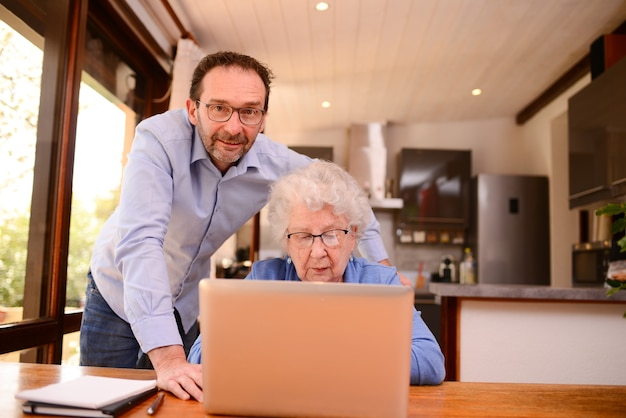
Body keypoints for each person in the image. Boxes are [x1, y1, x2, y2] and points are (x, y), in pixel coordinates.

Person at [79, 51, 401, 402]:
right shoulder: (157, 140)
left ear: (262, 118)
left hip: (182, 305)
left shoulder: (276, 161)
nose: (234, 127)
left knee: (179, 407)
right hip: (118, 293)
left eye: (249, 111)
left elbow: (346, 191)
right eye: (219, 108)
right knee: (103, 405)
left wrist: (382, 270)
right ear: (192, 109)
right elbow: (141, 242)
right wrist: (170, 359)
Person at [188, 161, 446, 386]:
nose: (318, 252)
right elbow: (200, 355)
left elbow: (430, 361)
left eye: (331, 235)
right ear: (286, 240)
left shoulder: (381, 281)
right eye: (302, 236)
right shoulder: (264, 278)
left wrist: (322, 357)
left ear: (353, 235)